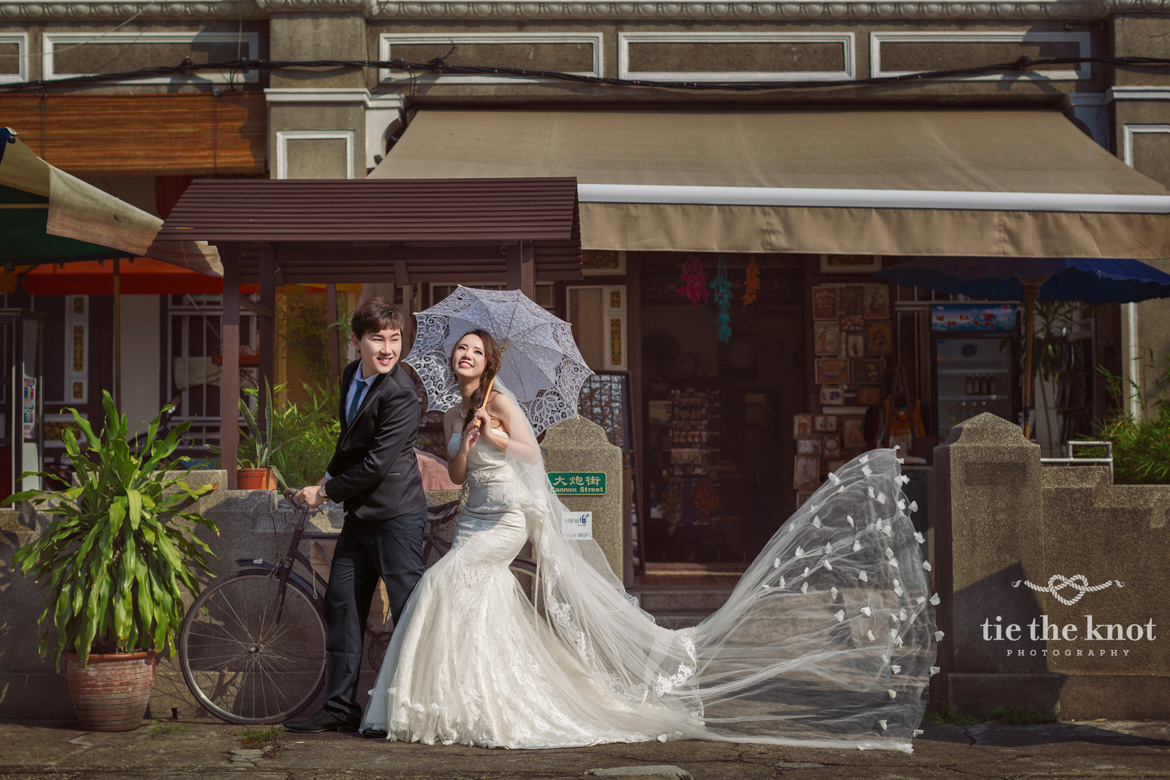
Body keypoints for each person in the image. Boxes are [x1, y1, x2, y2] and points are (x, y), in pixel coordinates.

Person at [361, 329, 939, 751]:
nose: (465, 356)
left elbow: (532, 455)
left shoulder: (501, 403)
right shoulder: (450, 413)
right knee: (479, 602)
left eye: (475, 351)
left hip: (508, 516)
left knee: (443, 581)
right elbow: (459, 477)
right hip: (472, 514)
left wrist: (498, 435)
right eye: (460, 350)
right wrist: (463, 443)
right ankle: (461, 702)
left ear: (489, 360)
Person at [285, 297, 427, 734]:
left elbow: (376, 466)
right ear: (355, 341)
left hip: (397, 516)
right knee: (342, 603)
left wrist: (325, 493)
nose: (388, 348)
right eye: (377, 338)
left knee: (408, 613)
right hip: (360, 516)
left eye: (395, 338)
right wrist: (321, 480)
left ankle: (410, 710)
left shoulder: (402, 393)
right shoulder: (350, 376)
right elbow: (350, 446)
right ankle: (340, 709)